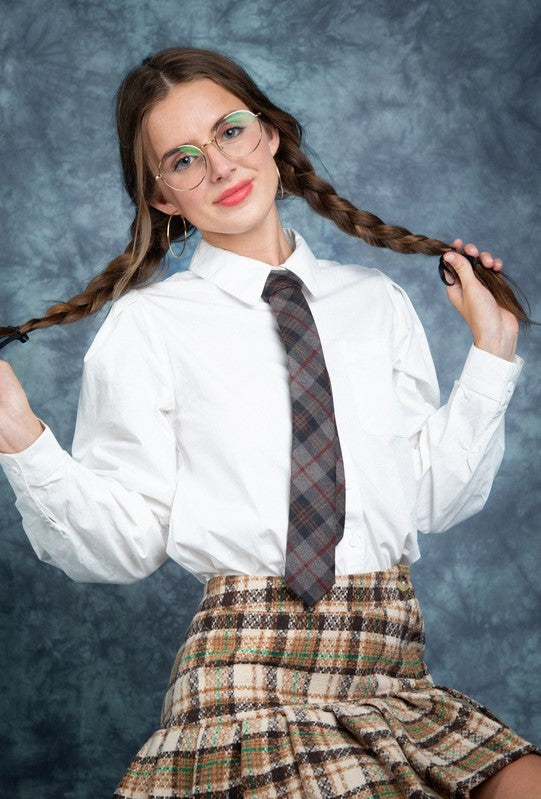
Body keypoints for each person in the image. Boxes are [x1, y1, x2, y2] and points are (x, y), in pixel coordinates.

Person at [0, 47, 539, 798]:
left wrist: (492, 352)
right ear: (161, 199)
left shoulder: (375, 300)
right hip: (246, 673)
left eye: (229, 132)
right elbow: (124, 541)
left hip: (392, 665)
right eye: (182, 160)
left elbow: (430, 497)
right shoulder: (148, 326)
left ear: (270, 135)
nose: (219, 167)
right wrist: (18, 434)